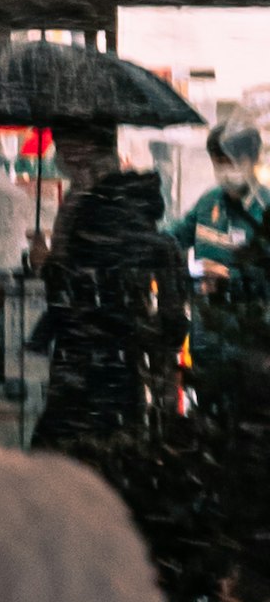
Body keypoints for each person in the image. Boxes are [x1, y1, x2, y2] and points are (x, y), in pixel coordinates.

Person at [32, 116, 172, 455]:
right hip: (125, 352)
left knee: (60, 457)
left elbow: (67, 284)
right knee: (119, 449)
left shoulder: (83, 203)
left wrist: (45, 263)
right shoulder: (132, 199)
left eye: (62, 142)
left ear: (83, 147)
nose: (58, 152)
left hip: (82, 354)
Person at [181, 120, 270, 433]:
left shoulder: (265, 210)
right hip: (207, 338)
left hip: (252, 345)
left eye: (231, 161)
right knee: (208, 426)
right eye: (218, 162)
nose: (224, 170)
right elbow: (173, 239)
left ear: (251, 160)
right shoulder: (209, 203)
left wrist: (234, 276)